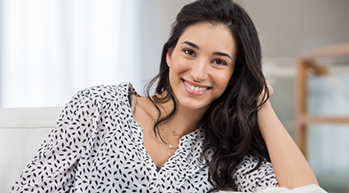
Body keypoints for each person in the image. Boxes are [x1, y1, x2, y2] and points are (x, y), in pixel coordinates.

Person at [10, 0, 318, 192]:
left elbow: (304, 191)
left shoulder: (227, 152)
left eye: (219, 61)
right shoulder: (97, 105)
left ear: (235, 74)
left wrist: (260, 98)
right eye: (189, 52)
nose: (199, 72)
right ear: (169, 55)